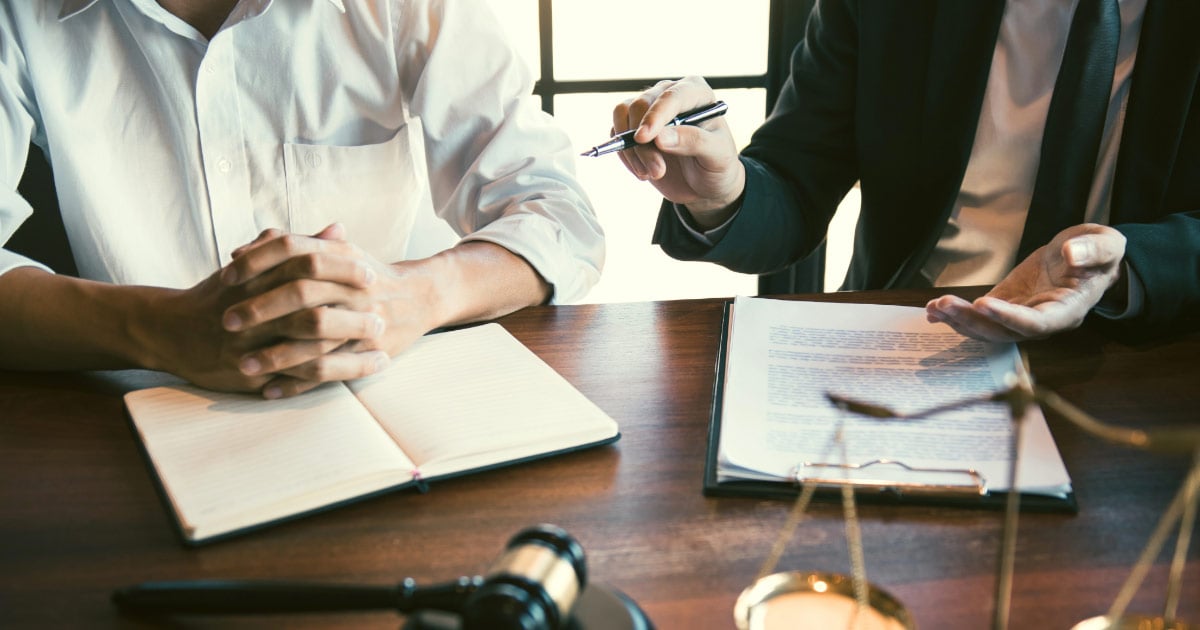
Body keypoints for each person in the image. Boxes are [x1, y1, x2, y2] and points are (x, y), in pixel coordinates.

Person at [0, 0, 604, 399]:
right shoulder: (19, 16)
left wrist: (413, 294)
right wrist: (161, 329)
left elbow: (557, 214)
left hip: (404, 408)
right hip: (150, 421)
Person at [611, 0, 1198, 342]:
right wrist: (724, 193)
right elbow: (793, 181)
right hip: (910, 332)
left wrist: (1129, 267)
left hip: (1138, 346)